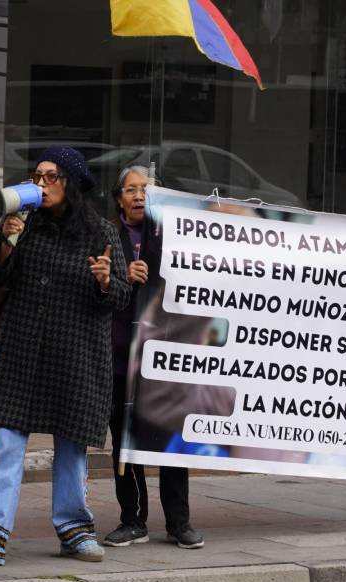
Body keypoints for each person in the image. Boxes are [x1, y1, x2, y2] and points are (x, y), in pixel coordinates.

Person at [0, 146, 130, 567]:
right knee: (8, 442)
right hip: (23, 352)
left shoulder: (100, 232)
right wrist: (7, 241)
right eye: (37, 176)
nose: (41, 184)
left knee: (71, 446)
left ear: (71, 183)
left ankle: (74, 530)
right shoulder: (21, 225)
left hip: (77, 355)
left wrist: (105, 280)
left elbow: (120, 297)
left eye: (51, 177)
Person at [103, 165, 205, 550]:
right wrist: (122, 274)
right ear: (119, 199)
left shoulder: (176, 237)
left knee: (170, 440)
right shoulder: (106, 235)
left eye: (147, 189)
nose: (139, 195)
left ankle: (179, 523)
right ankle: (133, 520)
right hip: (120, 355)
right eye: (131, 189)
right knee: (124, 442)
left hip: (165, 354)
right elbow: (95, 287)